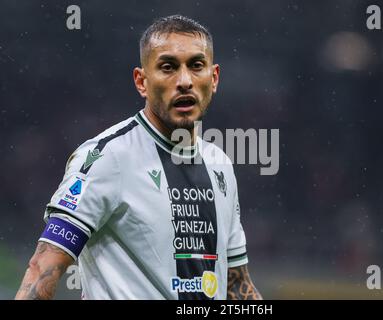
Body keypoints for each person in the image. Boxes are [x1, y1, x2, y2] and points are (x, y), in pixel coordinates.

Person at [15, 15, 262, 300]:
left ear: (214, 78)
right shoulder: (108, 157)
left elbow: (236, 285)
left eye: (196, 66)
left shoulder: (220, 165)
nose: (184, 81)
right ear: (141, 82)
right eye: (168, 67)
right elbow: (42, 268)